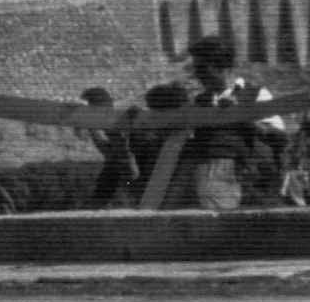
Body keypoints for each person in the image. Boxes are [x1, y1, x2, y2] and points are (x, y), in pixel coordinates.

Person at [167, 36, 288, 212]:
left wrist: (241, 115)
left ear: (222, 68)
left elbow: (280, 140)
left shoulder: (255, 95)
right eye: (196, 69)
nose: (197, 75)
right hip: (206, 178)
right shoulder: (201, 101)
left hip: (245, 179)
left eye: (202, 69)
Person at [79, 86, 141, 208]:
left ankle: (97, 205)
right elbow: (107, 149)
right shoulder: (109, 124)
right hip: (123, 163)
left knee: (116, 167)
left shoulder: (124, 120)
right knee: (113, 168)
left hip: (136, 164)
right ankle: (97, 205)